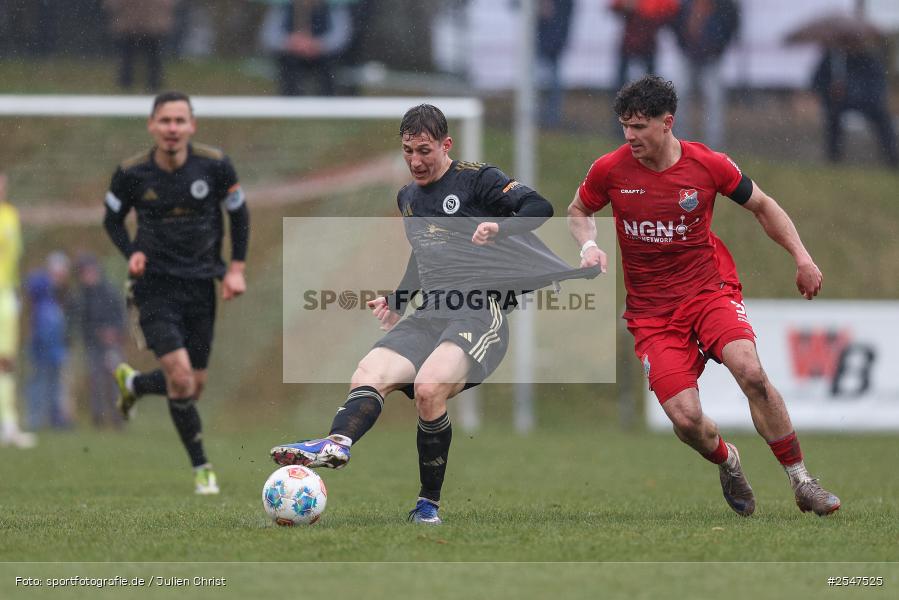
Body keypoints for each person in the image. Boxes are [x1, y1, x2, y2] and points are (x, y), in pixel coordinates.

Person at [270, 104, 595, 525]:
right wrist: (399, 299)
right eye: (408, 151)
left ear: (446, 145)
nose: (416, 161)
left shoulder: (478, 179)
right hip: (431, 311)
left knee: (428, 389)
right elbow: (423, 251)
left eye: (424, 150)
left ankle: (428, 505)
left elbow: (539, 207)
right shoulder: (408, 197)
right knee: (369, 372)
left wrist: (500, 227)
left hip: (478, 311)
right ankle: (337, 443)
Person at [567, 75, 840, 517]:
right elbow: (579, 209)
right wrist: (588, 245)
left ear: (667, 122)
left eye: (639, 126)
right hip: (652, 314)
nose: (630, 136)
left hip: (708, 291)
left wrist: (802, 258)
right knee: (687, 420)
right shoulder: (610, 170)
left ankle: (802, 481)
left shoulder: (708, 165)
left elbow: (763, 206)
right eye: (625, 126)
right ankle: (728, 460)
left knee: (751, 372)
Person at [103, 91, 250, 495]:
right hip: (154, 288)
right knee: (181, 377)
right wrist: (132, 252)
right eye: (165, 121)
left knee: (192, 386)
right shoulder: (131, 173)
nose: (172, 128)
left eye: (179, 121)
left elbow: (239, 214)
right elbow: (111, 220)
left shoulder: (215, 165)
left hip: (201, 286)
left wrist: (236, 269)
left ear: (192, 126)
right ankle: (203, 469)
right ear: (152, 125)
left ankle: (135, 385)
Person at [811, 45, 898, 168]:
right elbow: (817, 82)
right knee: (833, 116)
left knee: (883, 117)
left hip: (867, 102)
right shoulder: (832, 60)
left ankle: (892, 157)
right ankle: (834, 158)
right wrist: (829, 90)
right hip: (839, 103)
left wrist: (855, 93)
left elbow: (878, 85)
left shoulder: (870, 60)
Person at [672, 0, 739, 149]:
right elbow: (677, 25)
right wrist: (684, 46)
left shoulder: (724, 5)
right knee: (679, 96)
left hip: (711, 59)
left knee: (714, 99)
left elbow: (730, 26)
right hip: (689, 56)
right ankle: (679, 141)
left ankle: (713, 143)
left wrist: (717, 48)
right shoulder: (687, 5)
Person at [0, 174, 36, 448]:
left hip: (5, 296)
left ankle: (8, 425)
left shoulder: (10, 216)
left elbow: (14, 258)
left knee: (5, 362)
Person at [259, 0, 354, 96]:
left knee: (328, 71)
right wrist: (291, 42)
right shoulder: (282, 8)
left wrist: (317, 45)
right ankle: (290, 100)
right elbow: (270, 36)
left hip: (324, 56)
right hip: (291, 56)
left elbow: (341, 36)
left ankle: (327, 101)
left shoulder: (334, 7)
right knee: (289, 69)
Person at [74, 253, 126, 429]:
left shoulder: (109, 291)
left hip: (112, 344)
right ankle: (98, 418)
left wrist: (114, 332)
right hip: (93, 344)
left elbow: (121, 316)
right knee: (95, 381)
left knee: (115, 381)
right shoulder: (82, 296)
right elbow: (82, 322)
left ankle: (118, 417)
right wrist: (97, 333)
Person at [25, 269, 67, 431]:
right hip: (43, 355)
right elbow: (42, 335)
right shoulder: (45, 307)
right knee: (40, 385)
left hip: (53, 354)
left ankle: (52, 419)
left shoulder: (51, 305)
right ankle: (35, 419)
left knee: (52, 387)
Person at [104, 0, 177, 92]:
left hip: (137, 24)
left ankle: (131, 82)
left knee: (133, 57)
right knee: (145, 57)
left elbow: (112, 5)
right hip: (145, 24)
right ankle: (149, 83)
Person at [611, 0, 679, 89]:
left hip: (646, 44)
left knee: (650, 83)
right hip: (630, 43)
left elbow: (670, 10)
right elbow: (615, 6)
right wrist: (626, 6)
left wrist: (640, 9)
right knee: (622, 82)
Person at [536, 0, 575, 127]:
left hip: (551, 40)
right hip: (544, 37)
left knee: (552, 80)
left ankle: (550, 118)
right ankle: (544, 116)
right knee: (545, 79)